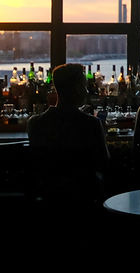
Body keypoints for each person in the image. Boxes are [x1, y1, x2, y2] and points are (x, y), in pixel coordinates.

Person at [27, 63, 111, 205]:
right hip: (85, 196)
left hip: (49, 194)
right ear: (77, 89)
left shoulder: (35, 123)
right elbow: (104, 162)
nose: (86, 91)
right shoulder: (91, 124)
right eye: (84, 86)